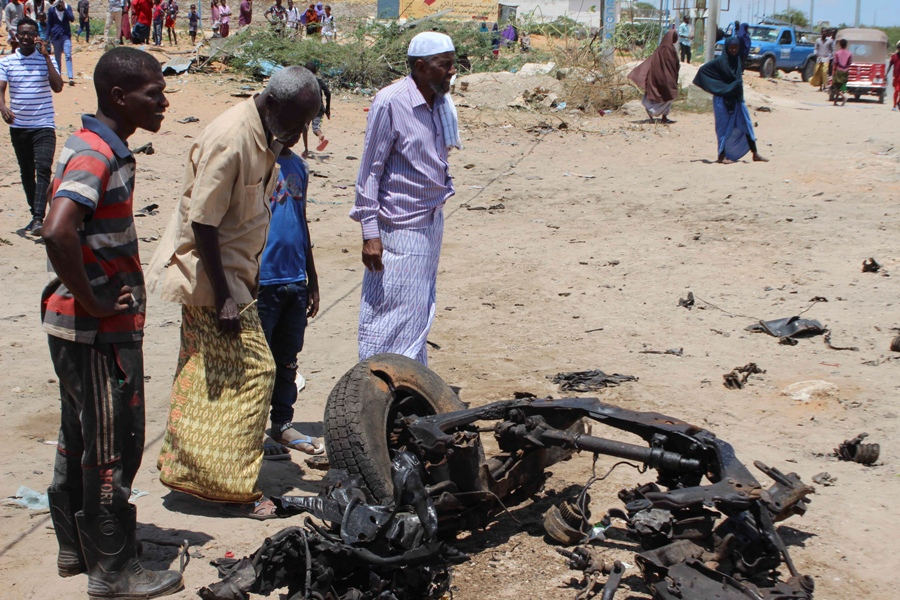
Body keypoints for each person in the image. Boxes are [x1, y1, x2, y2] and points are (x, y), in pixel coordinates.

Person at [41, 45, 182, 599]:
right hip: (96, 331)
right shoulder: (96, 154)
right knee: (112, 446)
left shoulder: (98, 148)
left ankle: (76, 549)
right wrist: (97, 300)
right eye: (155, 93)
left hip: (77, 326)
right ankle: (115, 572)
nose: (164, 103)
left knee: (77, 437)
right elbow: (58, 230)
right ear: (120, 96)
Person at [147, 66, 320, 519]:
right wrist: (224, 296)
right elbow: (202, 222)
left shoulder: (268, 137)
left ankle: (194, 474)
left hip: (240, 277)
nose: (302, 134)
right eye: (300, 122)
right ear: (277, 105)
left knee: (211, 378)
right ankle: (238, 489)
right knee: (256, 372)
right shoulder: (232, 137)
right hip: (212, 282)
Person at [350, 31, 459, 365]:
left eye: (453, 64)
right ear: (421, 67)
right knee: (388, 314)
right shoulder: (391, 101)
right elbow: (370, 171)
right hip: (397, 228)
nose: (452, 71)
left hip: (429, 222)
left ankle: (411, 383)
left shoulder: (439, 104)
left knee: (418, 309)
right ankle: (377, 387)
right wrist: (371, 234)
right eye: (445, 65)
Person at [257, 144, 323, 460]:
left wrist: (312, 279)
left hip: (295, 279)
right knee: (257, 362)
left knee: (287, 357)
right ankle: (252, 431)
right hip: (261, 280)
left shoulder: (298, 165)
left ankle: (282, 423)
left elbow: (302, 220)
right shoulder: (254, 162)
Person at [0, 17, 62, 235]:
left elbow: (58, 87)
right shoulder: (7, 62)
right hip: (18, 127)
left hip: (44, 125)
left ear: (37, 36)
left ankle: (38, 218)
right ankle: (34, 214)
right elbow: (0, 89)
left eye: (30, 34)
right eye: (22, 33)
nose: (26, 37)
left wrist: (46, 56)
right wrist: (3, 108)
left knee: (43, 168)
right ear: (16, 35)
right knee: (27, 173)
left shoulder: (47, 60)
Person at [693, 36, 767, 164]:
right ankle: (721, 156)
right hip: (722, 101)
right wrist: (720, 88)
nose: (733, 50)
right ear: (726, 49)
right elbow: (703, 71)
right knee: (722, 128)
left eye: (735, 48)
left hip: (737, 99)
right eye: (731, 48)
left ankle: (755, 153)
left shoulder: (737, 60)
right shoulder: (720, 62)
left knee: (746, 125)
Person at [628, 29, 679, 124]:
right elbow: (671, 64)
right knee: (668, 95)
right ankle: (661, 115)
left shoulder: (660, 49)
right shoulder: (668, 50)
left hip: (656, 77)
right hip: (666, 77)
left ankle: (656, 115)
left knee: (660, 95)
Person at [302, 59, 328, 156]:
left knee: (305, 128)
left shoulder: (304, 82)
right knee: (315, 127)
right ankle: (320, 136)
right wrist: (328, 109)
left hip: (308, 108)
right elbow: (328, 93)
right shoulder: (319, 81)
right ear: (316, 72)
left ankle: (306, 149)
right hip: (319, 107)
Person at [47, 0, 74, 85]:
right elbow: (49, 24)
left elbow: (72, 18)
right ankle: (58, 76)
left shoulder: (67, 7)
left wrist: (65, 9)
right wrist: (46, 37)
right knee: (57, 57)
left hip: (66, 35)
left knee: (68, 55)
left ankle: (70, 77)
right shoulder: (52, 10)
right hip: (56, 36)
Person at [832, 38, 851, 106]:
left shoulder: (837, 53)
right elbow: (849, 63)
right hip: (845, 71)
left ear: (840, 45)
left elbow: (835, 63)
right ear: (846, 45)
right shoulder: (849, 53)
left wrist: (833, 72)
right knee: (840, 87)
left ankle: (843, 97)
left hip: (839, 71)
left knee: (835, 87)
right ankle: (835, 101)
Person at [887, 41, 900, 111]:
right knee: (896, 91)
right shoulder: (894, 57)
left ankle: (898, 103)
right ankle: (894, 106)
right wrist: (886, 75)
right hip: (896, 77)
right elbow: (889, 66)